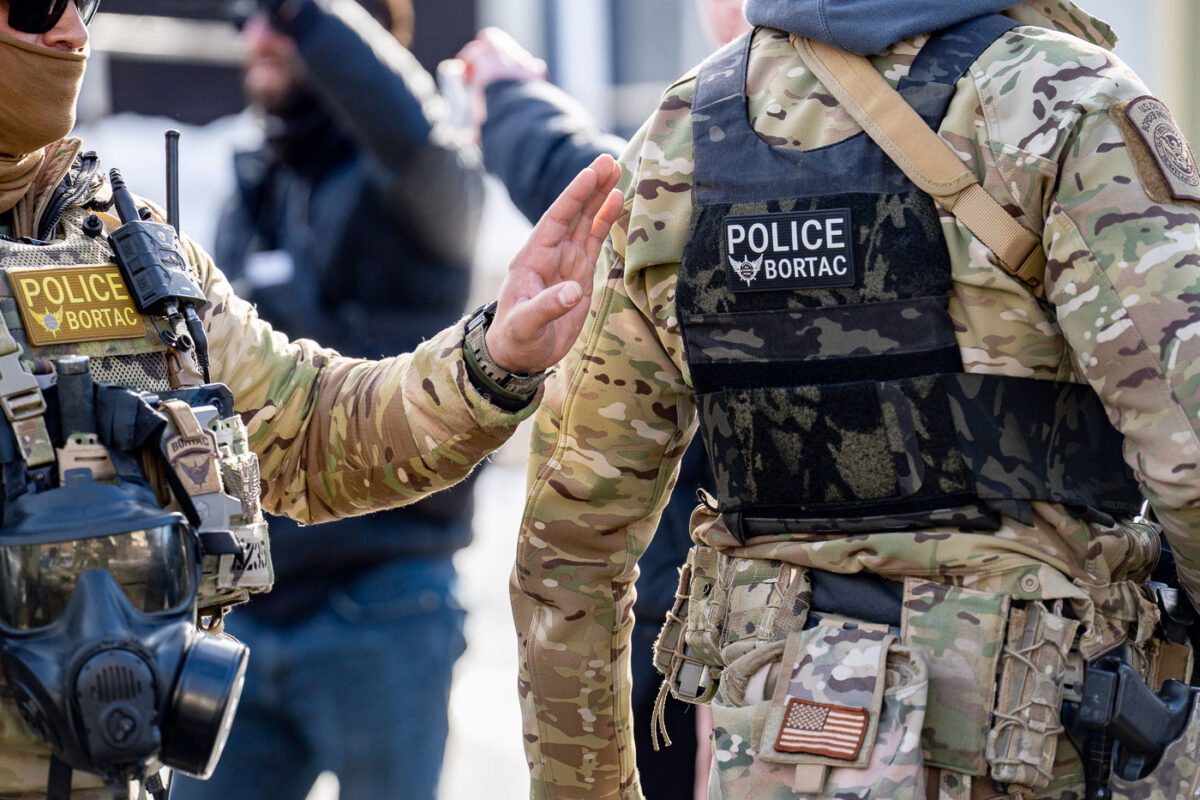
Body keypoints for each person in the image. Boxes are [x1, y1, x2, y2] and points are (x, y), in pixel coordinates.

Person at [511, 1, 1200, 798]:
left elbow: (568, 544)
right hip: (1041, 744)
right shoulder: (1065, 96)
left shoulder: (679, 132)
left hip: (779, 747)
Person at [0, 0, 622, 797]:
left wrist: (493, 358)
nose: (74, 34)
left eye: (84, 3)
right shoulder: (255, 187)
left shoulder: (117, 244)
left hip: (361, 612)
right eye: (37, 4)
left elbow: (307, 425)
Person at [170, 1, 481, 798]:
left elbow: (410, 133)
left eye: (284, 17)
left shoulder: (418, 188)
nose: (258, 37)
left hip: (382, 606)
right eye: (250, 17)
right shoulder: (258, 183)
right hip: (249, 608)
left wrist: (310, 13)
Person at [456, 9, 749, 797]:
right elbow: (598, 189)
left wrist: (513, 97)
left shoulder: (710, 153)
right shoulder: (706, 141)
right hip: (687, 638)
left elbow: (604, 189)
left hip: (725, 650)